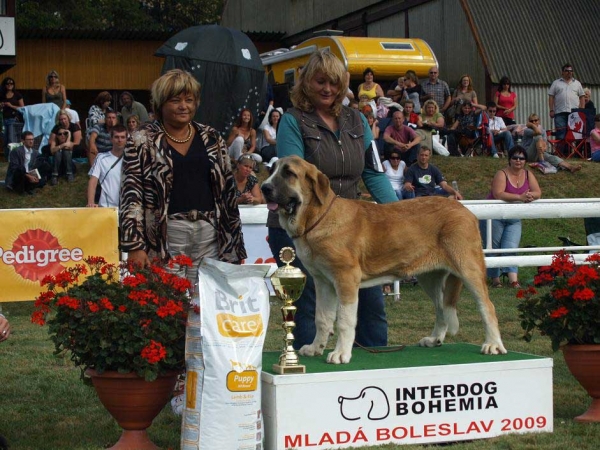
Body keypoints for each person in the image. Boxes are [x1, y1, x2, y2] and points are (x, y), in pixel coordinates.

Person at [268, 49, 398, 350]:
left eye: (335, 83)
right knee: (310, 305)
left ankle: (376, 370)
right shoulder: (292, 120)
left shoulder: (357, 121)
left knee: (371, 306)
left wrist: (398, 213)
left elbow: (375, 173)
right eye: (320, 81)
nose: (328, 89)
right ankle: (310, 374)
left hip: (353, 227)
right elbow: (293, 179)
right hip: (300, 227)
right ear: (306, 84)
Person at [120, 68, 246, 283]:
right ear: (160, 104)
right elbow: (131, 196)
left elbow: (227, 192)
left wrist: (234, 242)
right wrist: (134, 245)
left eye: (189, 100)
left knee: (205, 304)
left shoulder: (212, 137)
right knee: (167, 303)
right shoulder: (141, 140)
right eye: (176, 100)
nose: (183, 106)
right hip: (165, 235)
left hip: (210, 234)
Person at [482, 145, 542, 288]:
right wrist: (520, 197)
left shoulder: (528, 174)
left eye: (521, 158)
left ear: (525, 161)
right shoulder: (501, 174)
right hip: (494, 216)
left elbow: (538, 192)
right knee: (493, 248)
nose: (518, 160)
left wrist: (529, 195)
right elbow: (498, 193)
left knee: (511, 247)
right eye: (515, 157)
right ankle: (495, 279)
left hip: (514, 217)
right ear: (509, 160)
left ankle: (513, 280)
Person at [87, 124, 126, 208]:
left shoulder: (132, 159)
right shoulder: (101, 158)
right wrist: (91, 202)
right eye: (116, 137)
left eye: (123, 137)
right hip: (107, 208)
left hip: (127, 209)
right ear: (111, 139)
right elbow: (93, 181)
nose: (119, 140)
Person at [548, 63, 585, 141]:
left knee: (573, 134)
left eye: (571, 71)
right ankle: (561, 153)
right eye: (567, 71)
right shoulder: (556, 83)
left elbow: (582, 96)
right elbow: (551, 97)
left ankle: (571, 152)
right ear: (562, 72)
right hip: (560, 112)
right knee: (561, 134)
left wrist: (582, 109)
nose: (569, 72)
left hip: (574, 113)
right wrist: (551, 110)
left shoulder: (577, 83)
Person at [0, 77, 25, 156]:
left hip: (13, 119)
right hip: (3, 119)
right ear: (4, 85)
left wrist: (11, 105)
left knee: (11, 139)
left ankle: (12, 157)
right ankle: (7, 157)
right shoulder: (1, 95)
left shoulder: (17, 95)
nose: (10, 85)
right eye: (8, 83)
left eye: (11, 83)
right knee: (4, 139)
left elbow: (22, 108)